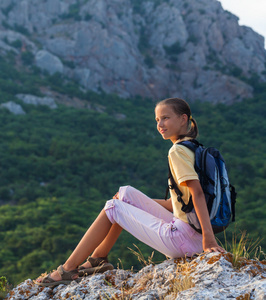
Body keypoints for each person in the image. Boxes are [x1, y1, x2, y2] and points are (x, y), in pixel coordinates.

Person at [35, 97, 226, 287]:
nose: (160, 124)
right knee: (125, 194)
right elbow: (175, 204)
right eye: (157, 120)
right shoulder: (195, 148)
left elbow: (198, 194)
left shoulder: (177, 151)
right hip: (192, 233)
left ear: (183, 119)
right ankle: (98, 258)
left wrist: (208, 240)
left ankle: (68, 269)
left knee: (112, 207)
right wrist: (132, 204)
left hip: (182, 240)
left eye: (166, 118)